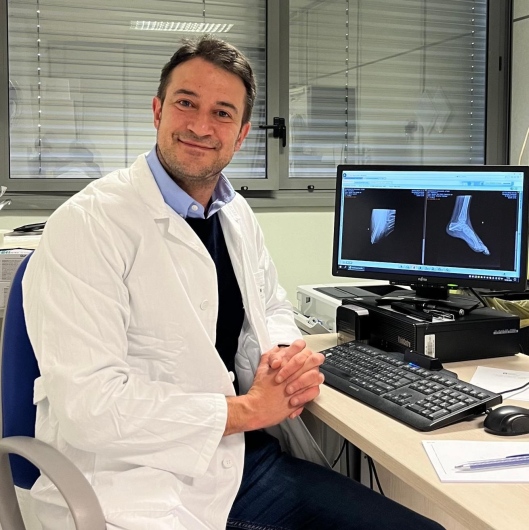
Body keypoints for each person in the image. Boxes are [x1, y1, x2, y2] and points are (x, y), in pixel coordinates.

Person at [22, 35, 444, 530]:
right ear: (158, 111)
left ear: (241, 135)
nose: (201, 126)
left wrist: (282, 356)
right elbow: (89, 408)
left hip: (240, 459)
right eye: (186, 103)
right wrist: (248, 410)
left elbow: (272, 305)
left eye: (222, 113)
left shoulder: (234, 213)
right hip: (134, 483)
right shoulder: (88, 224)